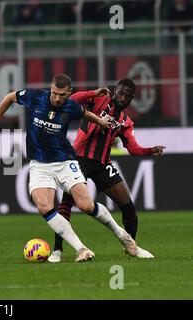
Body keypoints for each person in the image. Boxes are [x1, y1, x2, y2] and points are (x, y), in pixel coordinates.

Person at [0, 74, 142, 262]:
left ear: (69, 93)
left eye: (62, 95)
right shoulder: (36, 97)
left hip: (65, 161)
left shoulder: (70, 106)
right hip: (39, 164)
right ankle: (81, 249)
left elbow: (85, 114)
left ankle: (123, 237)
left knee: (86, 205)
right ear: (51, 88)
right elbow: (10, 97)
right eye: (55, 93)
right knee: (44, 206)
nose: (57, 98)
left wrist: (100, 122)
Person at [48, 79, 165, 263]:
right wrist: (94, 92)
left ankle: (131, 246)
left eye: (127, 96)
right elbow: (73, 100)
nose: (122, 97)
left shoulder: (126, 122)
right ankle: (57, 250)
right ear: (114, 91)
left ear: (131, 99)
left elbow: (133, 149)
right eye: (120, 93)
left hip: (102, 165)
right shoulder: (99, 100)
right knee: (66, 203)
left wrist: (150, 150)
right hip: (78, 159)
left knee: (129, 208)